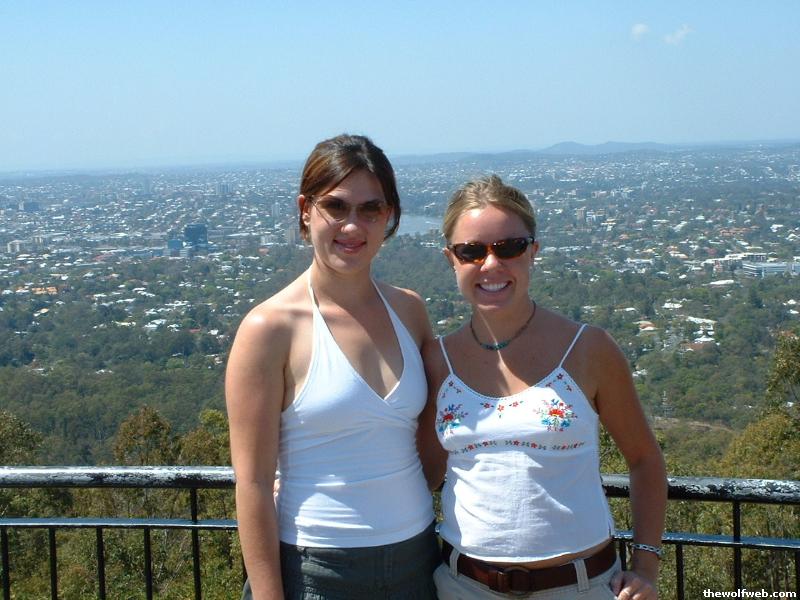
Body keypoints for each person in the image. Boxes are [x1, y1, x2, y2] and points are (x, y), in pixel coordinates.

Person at [421, 175, 667, 599]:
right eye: (472, 251)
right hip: (464, 586)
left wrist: (646, 565)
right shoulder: (436, 361)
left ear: (533, 251)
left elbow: (644, 458)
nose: (491, 265)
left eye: (509, 247)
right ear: (452, 259)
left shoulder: (588, 349)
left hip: (581, 586)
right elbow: (422, 474)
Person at [226, 134, 439, 600]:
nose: (352, 225)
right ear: (306, 210)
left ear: (389, 216)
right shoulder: (270, 328)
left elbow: (430, 436)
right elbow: (254, 483)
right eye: (336, 207)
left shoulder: (410, 311)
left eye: (370, 209)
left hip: (418, 559)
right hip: (317, 569)